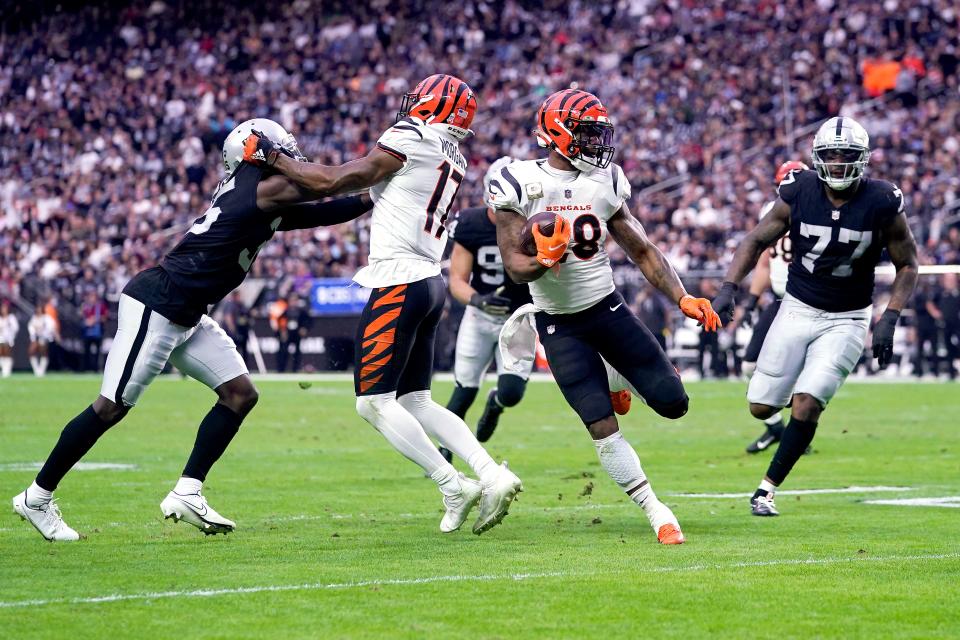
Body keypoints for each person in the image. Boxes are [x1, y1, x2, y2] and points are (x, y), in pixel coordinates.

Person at [12, 118, 374, 541]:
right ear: (257, 151)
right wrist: (380, 173)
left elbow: (323, 212)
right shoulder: (261, 185)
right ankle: (36, 496)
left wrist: (375, 198)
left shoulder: (260, 193)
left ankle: (188, 491)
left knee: (239, 394)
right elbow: (327, 184)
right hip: (159, 302)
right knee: (110, 407)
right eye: (280, 146)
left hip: (187, 311)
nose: (290, 151)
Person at [248, 74, 523, 535]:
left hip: (399, 280)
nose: (411, 107)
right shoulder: (451, 153)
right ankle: (491, 474)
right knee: (415, 400)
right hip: (428, 281)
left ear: (435, 108)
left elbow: (337, 179)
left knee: (372, 404)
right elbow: (361, 194)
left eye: (420, 101)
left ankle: (452, 484)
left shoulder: (411, 136)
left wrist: (272, 157)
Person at [492, 89, 721, 545]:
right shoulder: (517, 183)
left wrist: (682, 297)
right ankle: (657, 512)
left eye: (599, 131)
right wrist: (544, 259)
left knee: (674, 404)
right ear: (557, 132)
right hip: (558, 323)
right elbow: (514, 267)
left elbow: (642, 249)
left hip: (607, 308)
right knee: (599, 423)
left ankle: (618, 380)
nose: (597, 141)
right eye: (587, 132)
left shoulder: (607, 180)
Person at [711, 116, 919, 517]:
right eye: (831, 156)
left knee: (807, 404)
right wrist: (728, 289)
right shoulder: (799, 189)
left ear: (863, 160)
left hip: (847, 317)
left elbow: (908, 264)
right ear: (817, 158)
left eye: (847, 157)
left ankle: (765, 490)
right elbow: (756, 240)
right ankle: (798, 392)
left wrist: (889, 317)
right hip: (797, 307)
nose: (839, 165)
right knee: (760, 406)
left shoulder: (882, 200)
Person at [439, 156, 533, 463]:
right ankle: (443, 456)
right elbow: (456, 280)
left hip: (519, 319)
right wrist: (478, 299)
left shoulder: (534, 223)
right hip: (480, 317)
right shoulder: (471, 222)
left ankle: (495, 403)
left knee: (512, 392)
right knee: (463, 390)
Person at [741, 160, 808, 453]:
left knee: (800, 373)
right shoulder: (771, 211)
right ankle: (777, 427)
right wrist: (751, 300)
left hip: (806, 300)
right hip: (779, 299)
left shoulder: (816, 211)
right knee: (749, 366)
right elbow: (766, 260)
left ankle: (799, 430)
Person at [80, 291, 108, 371]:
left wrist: (95, 320)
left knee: (97, 352)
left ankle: (96, 368)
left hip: (97, 333)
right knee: (86, 352)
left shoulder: (101, 306)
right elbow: (82, 316)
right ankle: (86, 368)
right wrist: (86, 321)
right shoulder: (85, 306)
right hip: (87, 333)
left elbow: (105, 317)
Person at [28, 304, 57, 377]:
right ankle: (36, 369)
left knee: (43, 352)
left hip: (44, 337)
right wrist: (34, 333)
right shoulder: (34, 318)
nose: (38, 311)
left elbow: (51, 327)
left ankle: (42, 369)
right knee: (31, 351)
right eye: (37, 309)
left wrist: (43, 333)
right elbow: (31, 327)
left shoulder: (46, 318)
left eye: (40, 309)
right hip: (35, 337)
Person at [0, 299, 18, 378]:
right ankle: (3, 369)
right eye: (2, 308)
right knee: (1, 352)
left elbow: (15, 328)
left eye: (5, 308)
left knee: (7, 352)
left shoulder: (11, 318)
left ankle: (7, 370)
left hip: (8, 338)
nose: (4, 310)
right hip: (0, 338)